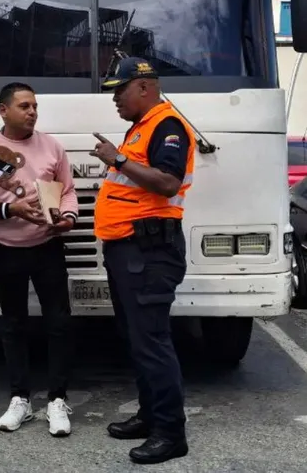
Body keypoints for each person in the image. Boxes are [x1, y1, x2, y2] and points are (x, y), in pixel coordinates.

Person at [89, 57, 195, 465]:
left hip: (149, 253)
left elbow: (167, 184)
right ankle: (150, 415)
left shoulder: (167, 126)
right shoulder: (143, 127)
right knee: (136, 339)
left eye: (121, 89)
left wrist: (116, 159)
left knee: (152, 342)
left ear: (145, 87)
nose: (115, 98)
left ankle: (170, 433)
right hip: (128, 250)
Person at [0, 81, 80, 437]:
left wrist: (69, 218)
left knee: (59, 323)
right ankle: (20, 399)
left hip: (47, 247)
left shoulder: (52, 146)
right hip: (6, 250)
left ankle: (57, 399)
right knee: (13, 325)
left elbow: (67, 191)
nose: (32, 112)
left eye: (35, 106)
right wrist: (10, 207)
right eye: (24, 106)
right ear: (3, 110)